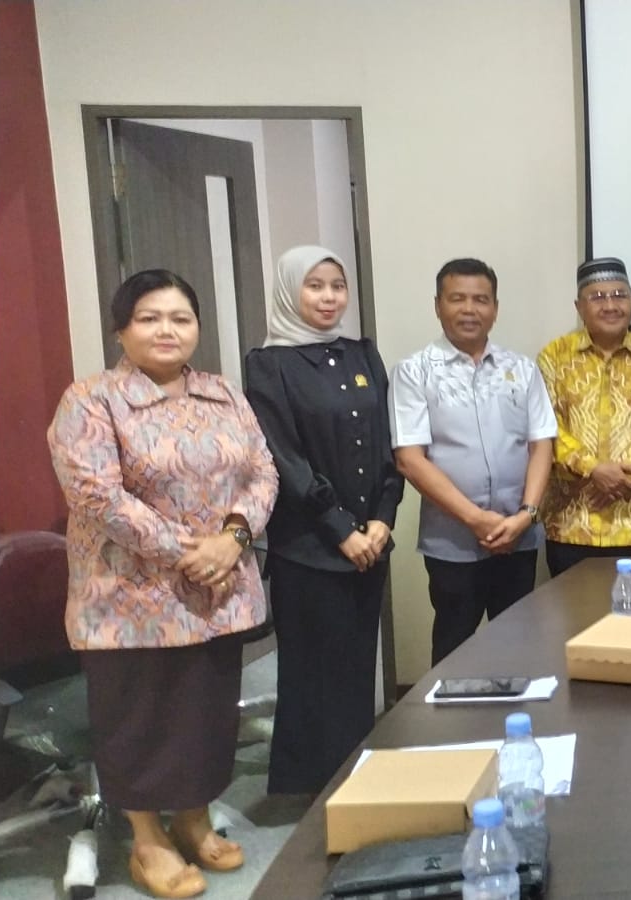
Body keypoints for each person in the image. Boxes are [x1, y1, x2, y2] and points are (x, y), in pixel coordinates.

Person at [48, 270, 278, 897]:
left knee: (205, 712)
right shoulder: (92, 399)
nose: (167, 330)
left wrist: (232, 539)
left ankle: (195, 821)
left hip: (218, 590)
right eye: (150, 317)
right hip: (128, 600)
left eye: (180, 317)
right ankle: (148, 841)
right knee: (140, 718)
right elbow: (97, 495)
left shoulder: (222, 392)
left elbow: (262, 471)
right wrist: (187, 550)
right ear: (122, 328)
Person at [243, 246, 402, 795]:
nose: (329, 297)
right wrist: (342, 530)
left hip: (370, 545)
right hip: (309, 546)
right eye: (315, 286)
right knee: (314, 672)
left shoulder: (362, 354)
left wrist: (383, 518)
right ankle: (308, 788)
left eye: (337, 285)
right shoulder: (268, 365)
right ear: (290, 291)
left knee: (358, 666)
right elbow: (284, 459)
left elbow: (387, 444)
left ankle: (355, 775)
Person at [391, 258, 556, 666]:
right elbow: (410, 459)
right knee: (454, 647)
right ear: (438, 305)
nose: (470, 309)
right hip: (452, 542)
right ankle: (451, 731)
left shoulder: (522, 368)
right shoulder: (414, 372)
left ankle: (519, 726)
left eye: (481, 300)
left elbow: (542, 444)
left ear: (495, 308)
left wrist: (527, 513)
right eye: (458, 299)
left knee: (520, 646)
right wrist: (475, 519)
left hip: (519, 536)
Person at [538, 257, 631, 575]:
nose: (610, 305)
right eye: (598, 297)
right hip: (572, 526)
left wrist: (626, 475)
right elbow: (545, 428)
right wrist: (593, 469)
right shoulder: (554, 357)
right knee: (577, 624)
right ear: (579, 306)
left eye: (619, 295)